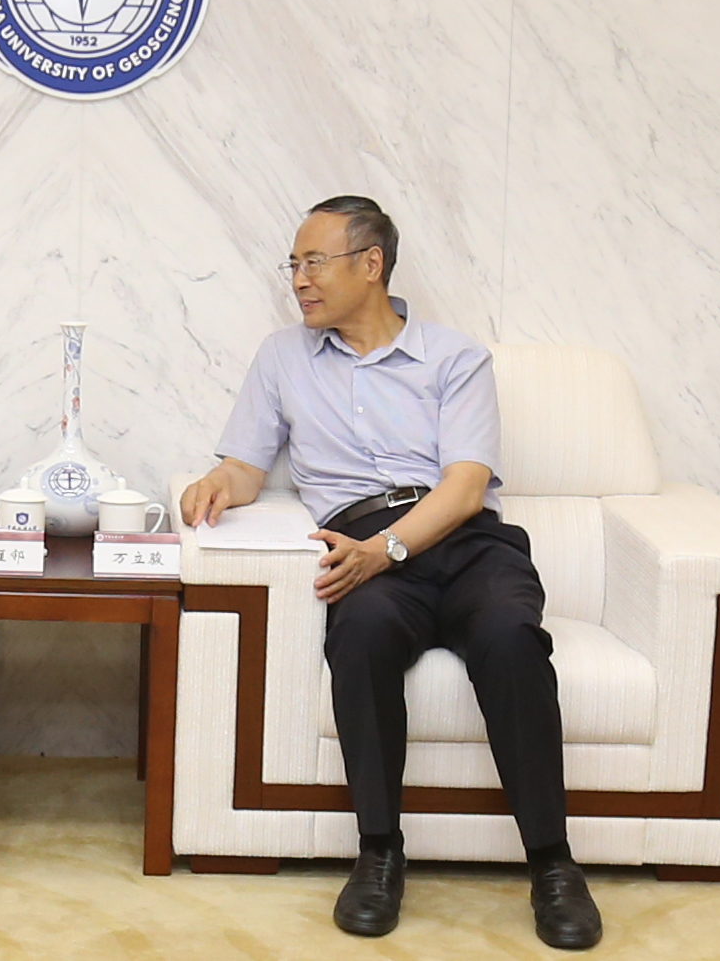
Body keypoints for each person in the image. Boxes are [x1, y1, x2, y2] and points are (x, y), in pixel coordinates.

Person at [180, 195, 603, 950]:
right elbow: (246, 465)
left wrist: (388, 549)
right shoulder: (282, 357)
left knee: (510, 637)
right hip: (362, 545)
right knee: (362, 635)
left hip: (465, 541)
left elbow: (465, 487)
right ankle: (378, 853)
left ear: (371, 264)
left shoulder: (455, 358)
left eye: (315, 262)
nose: (299, 279)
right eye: (293, 264)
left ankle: (553, 864)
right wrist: (217, 483)